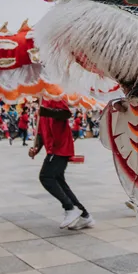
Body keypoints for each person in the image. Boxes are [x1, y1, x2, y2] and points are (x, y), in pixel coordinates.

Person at [29, 97, 93, 230]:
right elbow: (40, 134)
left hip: (60, 148)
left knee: (46, 177)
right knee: (59, 180)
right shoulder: (40, 107)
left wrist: (47, 111)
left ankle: (70, 208)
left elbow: (66, 113)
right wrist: (36, 148)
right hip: (52, 149)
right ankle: (85, 216)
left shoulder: (54, 97)